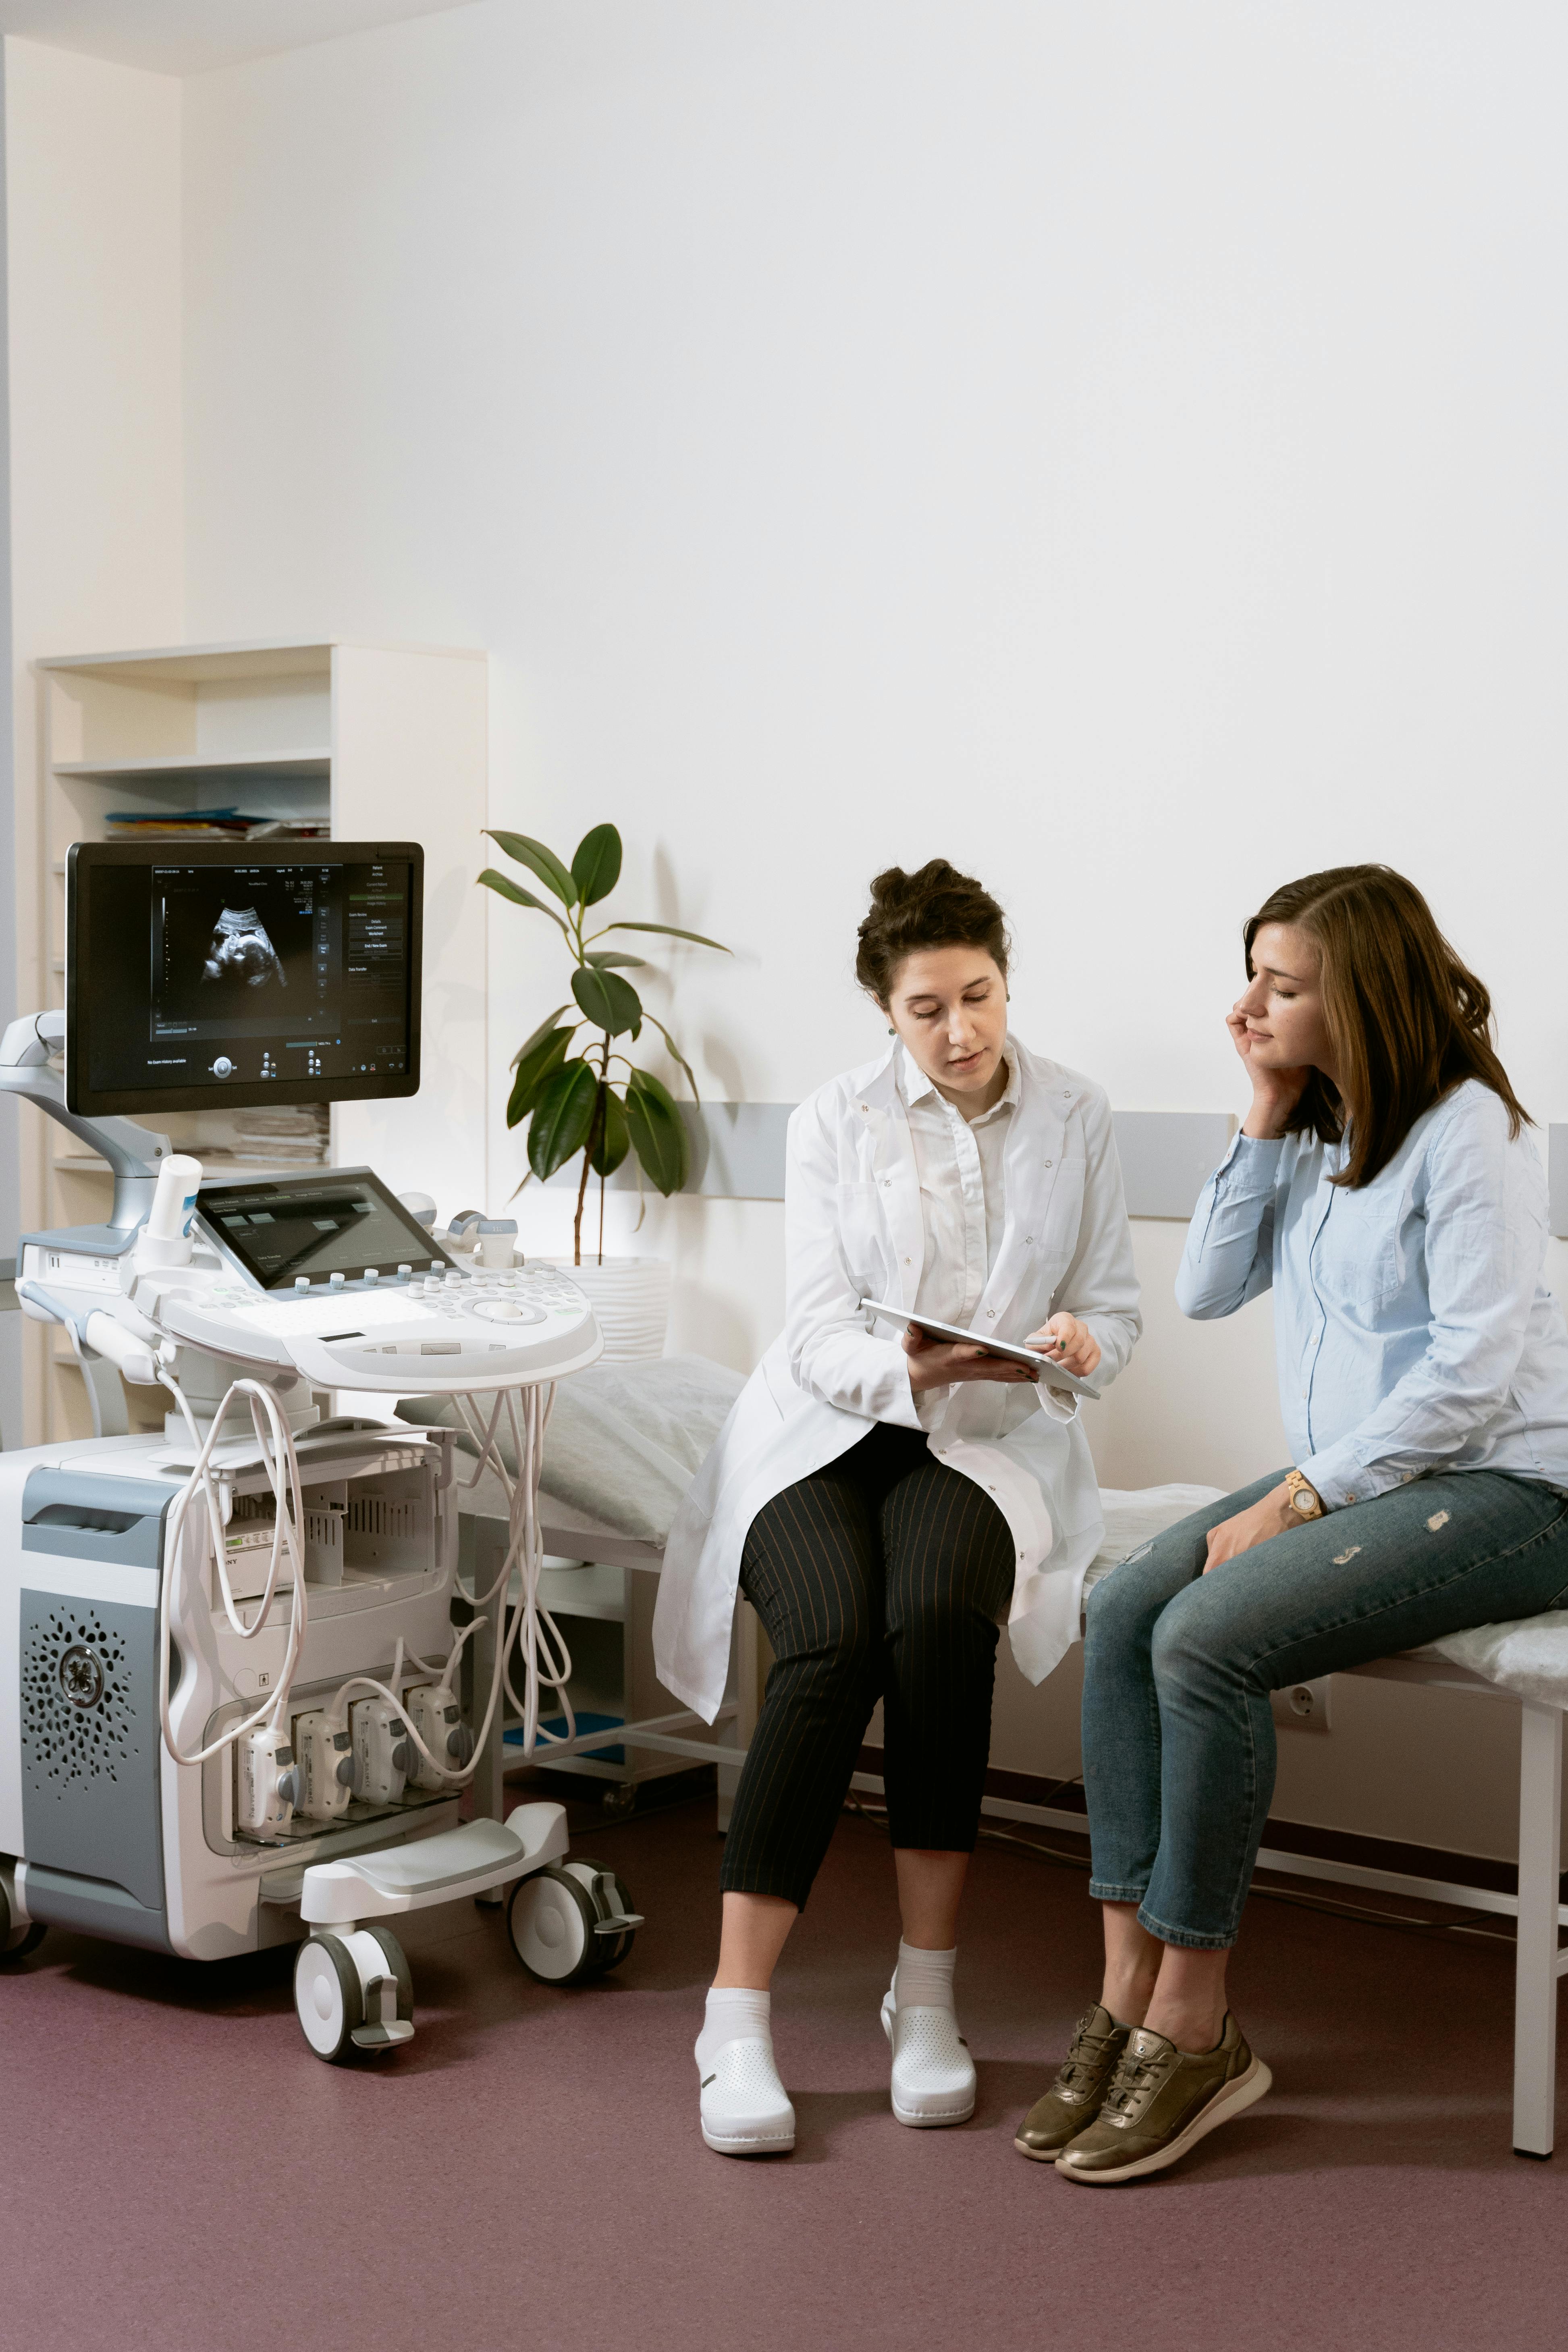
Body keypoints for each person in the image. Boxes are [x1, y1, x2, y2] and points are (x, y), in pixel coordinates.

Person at [1018, 863, 1568, 2186]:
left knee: (1204, 1637)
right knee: (1129, 1598)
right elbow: (1207, 1287)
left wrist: (1299, 1493)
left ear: (1360, 989)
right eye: (1252, 973)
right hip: (1371, 1474)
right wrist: (1261, 1112)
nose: (1247, 1001)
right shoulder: (1319, 1130)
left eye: (1280, 982)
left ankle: (1197, 2025)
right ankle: (1127, 1991)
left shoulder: (1471, 1129)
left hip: (1511, 1489)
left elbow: (1475, 1368)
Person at [654, 860, 1142, 2157]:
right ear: (884, 1008)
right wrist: (914, 1362)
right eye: (927, 1008)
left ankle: (923, 1996)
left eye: (978, 996)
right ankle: (734, 2013)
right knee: (827, 1643)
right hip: (827, 1432)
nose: (961, 1031)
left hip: (983, 1443)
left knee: (933, 1625)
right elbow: (816, 1333)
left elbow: (1116, 1302)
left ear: (1003, 980)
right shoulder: (830, 1120)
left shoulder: (1077, 1113)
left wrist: (1085, 1344)